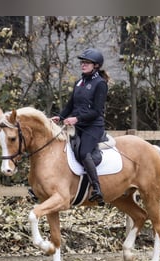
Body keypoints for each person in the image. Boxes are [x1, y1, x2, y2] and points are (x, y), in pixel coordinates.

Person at [52, 48, 109, 205]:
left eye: (87, 63)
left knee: (83, 153)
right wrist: (61, 117)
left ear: (95, 66)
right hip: (77, 125)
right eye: (82, 62)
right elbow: (71, 104)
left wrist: (76, 119)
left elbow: (97, 111)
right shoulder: (80, 82)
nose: (83, 65)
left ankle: (97, 188)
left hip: (93, 126)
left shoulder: (100, 84)